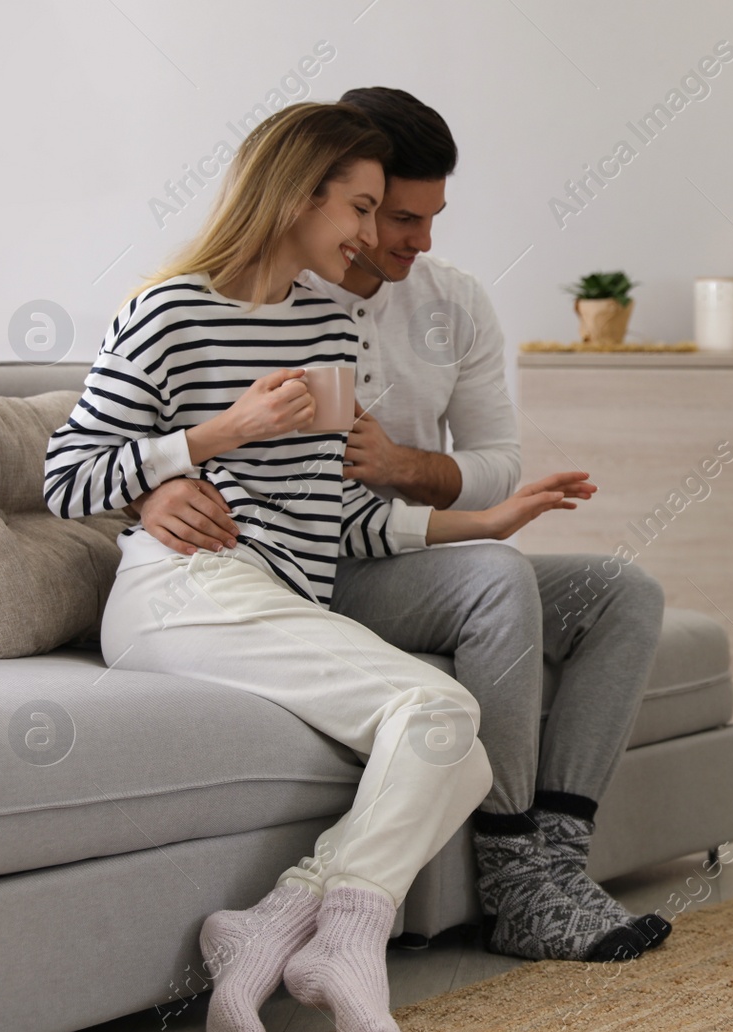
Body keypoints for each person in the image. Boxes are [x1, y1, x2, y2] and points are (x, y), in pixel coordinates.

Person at [43, 102, 613, 1032]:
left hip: (279, 593)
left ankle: (271, 927)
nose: (367, 231)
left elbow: (335, 515)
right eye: (359, 206)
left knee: (457, 747)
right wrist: (215, 437)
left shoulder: (333, 326)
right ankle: (342, 937)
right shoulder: (169, 311)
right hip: (184, 591)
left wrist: (482, 523)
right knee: (439, 711)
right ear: (295, 194)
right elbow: (66, 477)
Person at [132, 88, 673, 965]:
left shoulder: (449, 302)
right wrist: (148, 494)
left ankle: (554, 861)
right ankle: (511, 879)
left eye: (428, 217)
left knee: (619, 591)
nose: (416, 240)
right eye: (394, 217)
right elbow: (132, 424)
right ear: (342, 201)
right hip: (313, 564)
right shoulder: (267, 293)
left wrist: (405, 468)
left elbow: (496, 456)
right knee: (495, 575)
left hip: (398, 547)